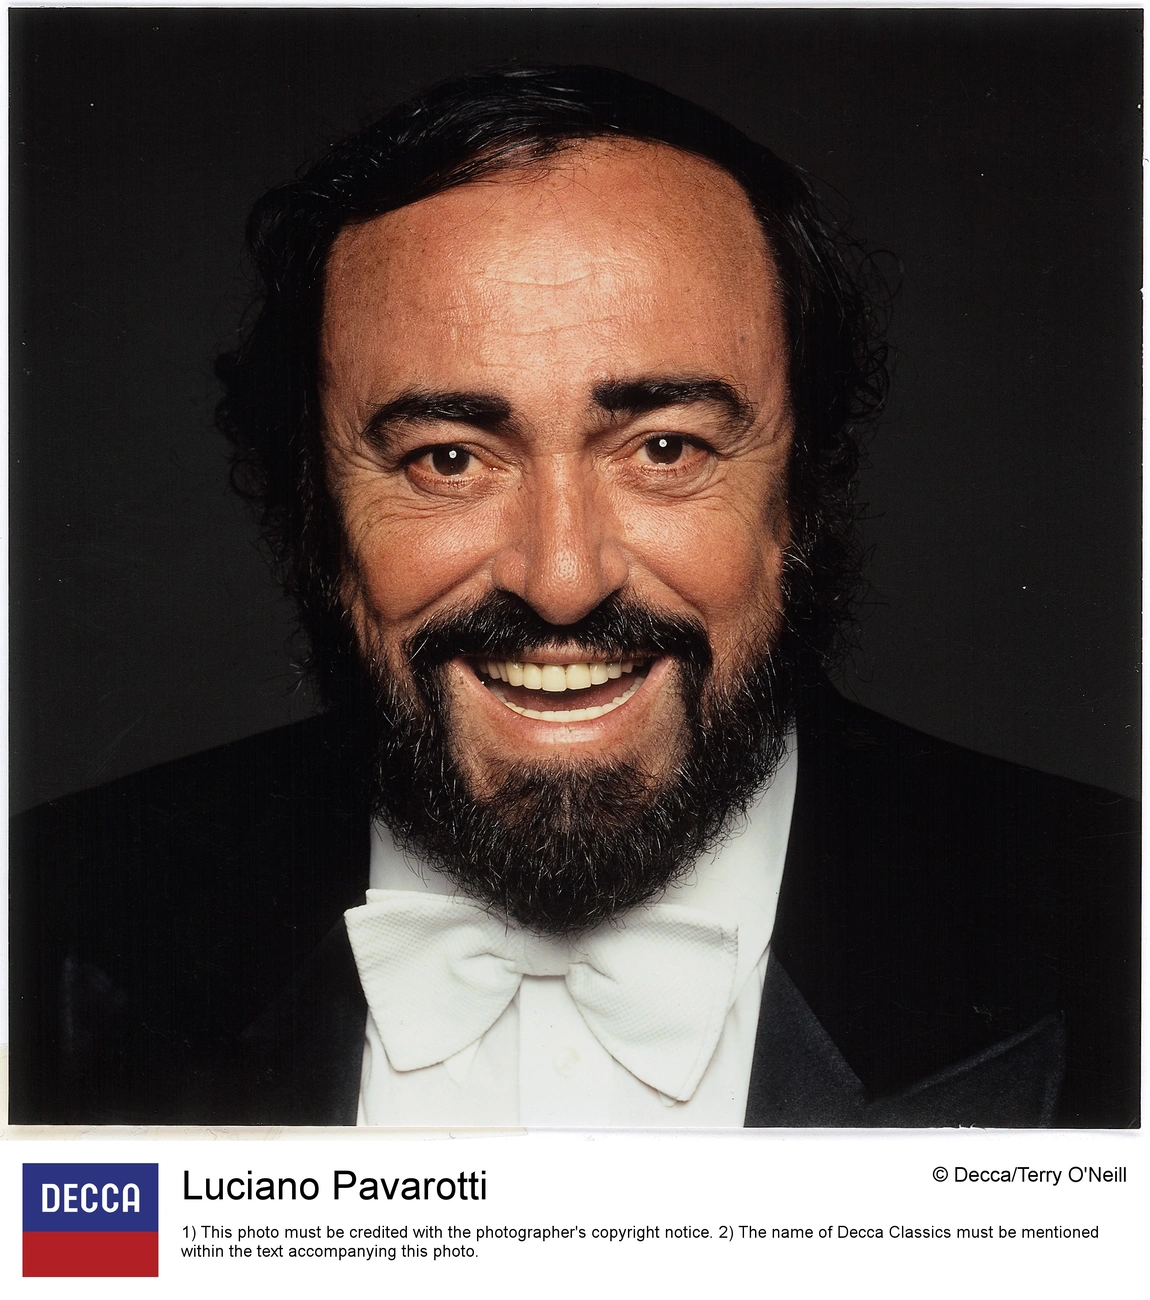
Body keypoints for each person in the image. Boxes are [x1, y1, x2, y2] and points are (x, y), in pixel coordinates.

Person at [10, 66, 1138, 1128]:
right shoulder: (47, 914)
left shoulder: (1110, 921)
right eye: (448, 459)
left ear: (800, 490)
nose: (561, 579)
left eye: (664, 448)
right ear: (314, 512)